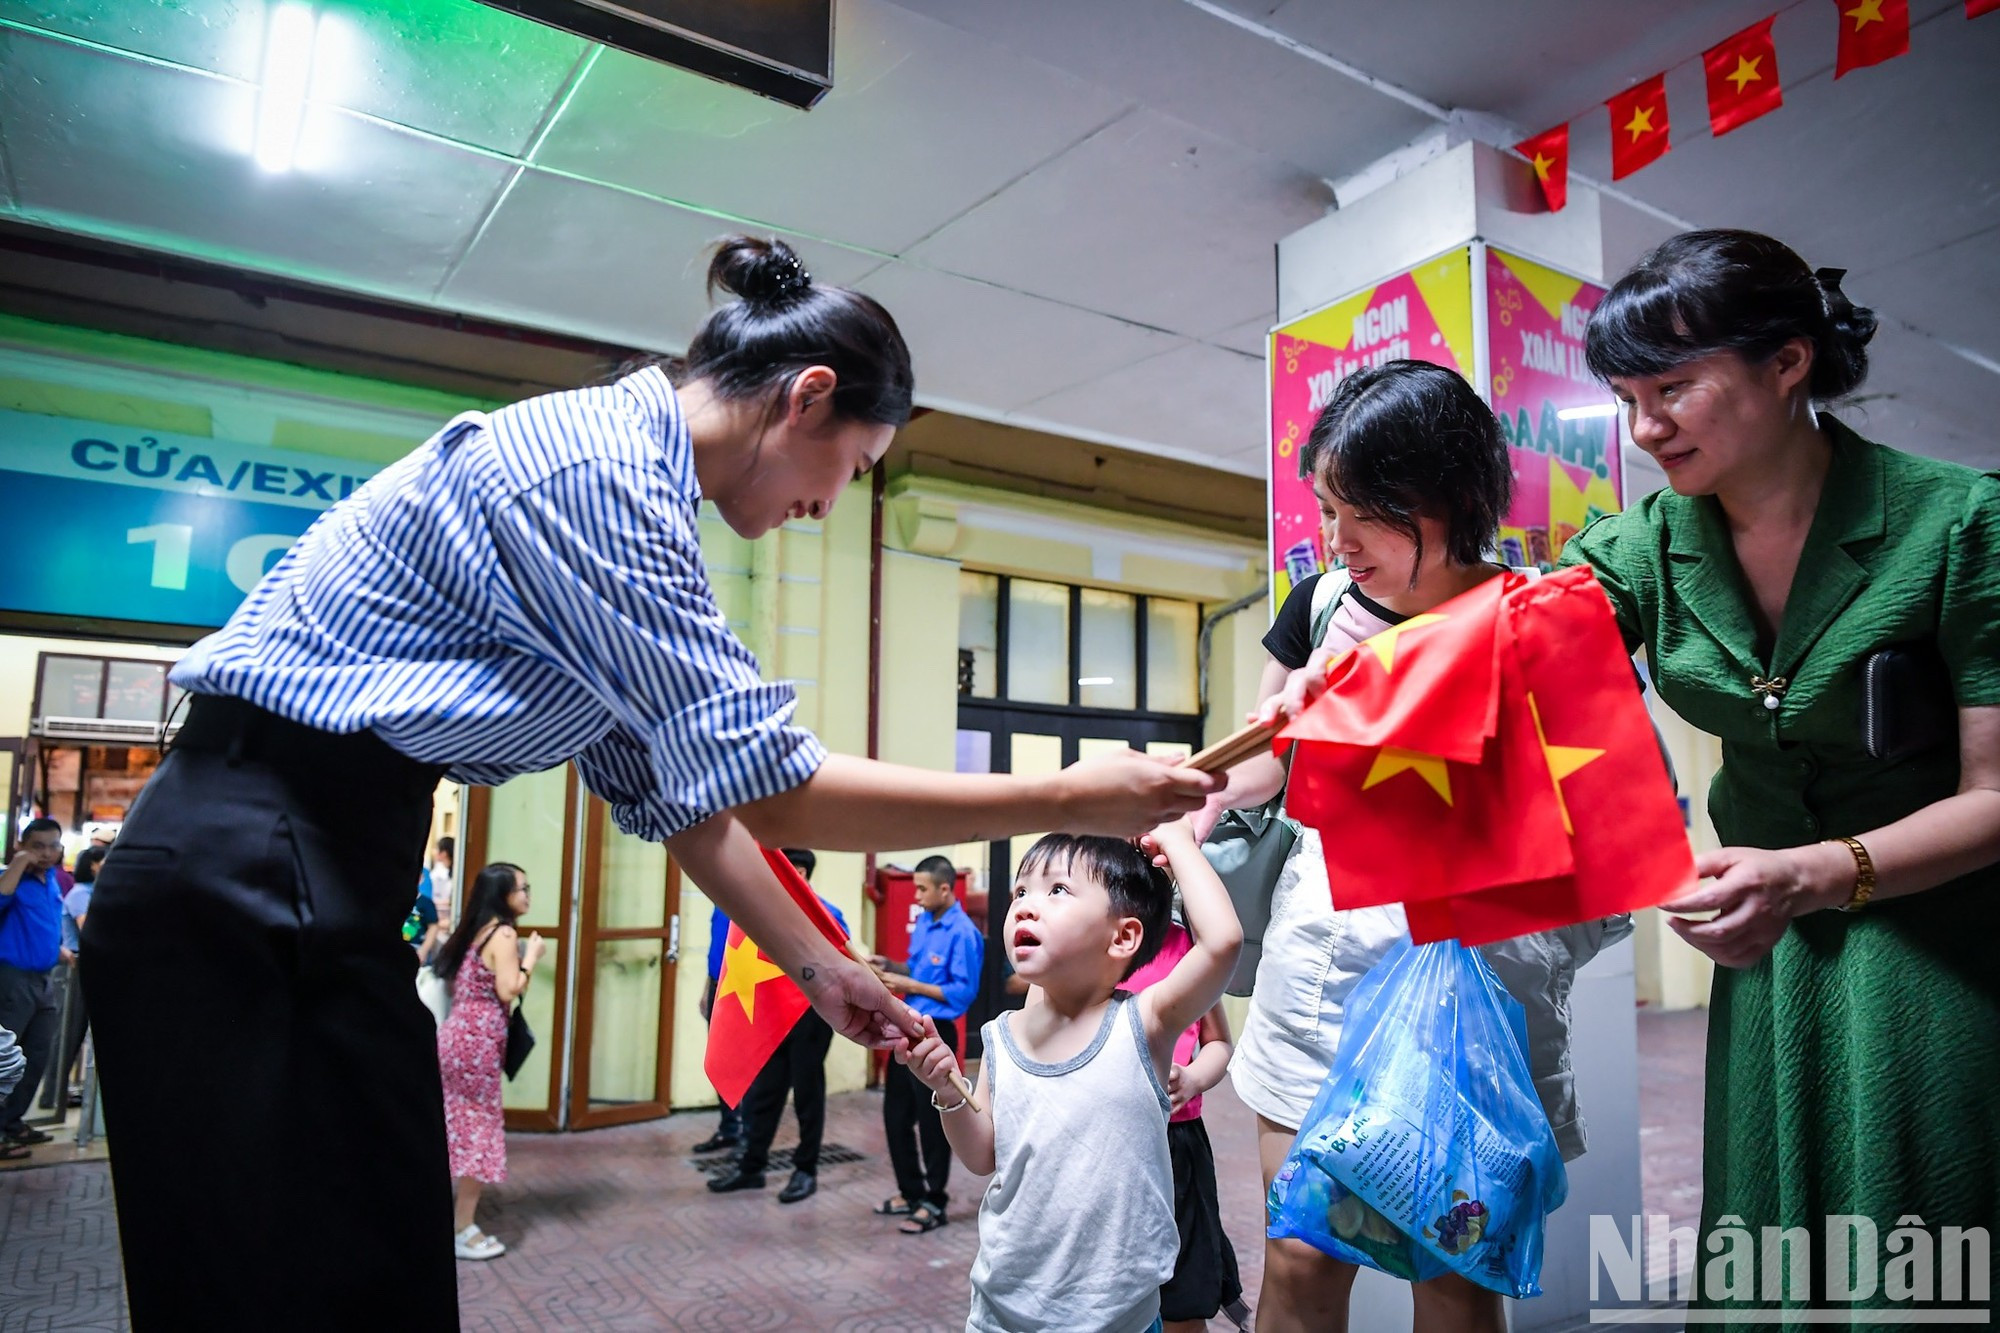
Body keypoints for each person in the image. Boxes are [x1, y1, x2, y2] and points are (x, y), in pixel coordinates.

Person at [83, 234, 1217, 1328]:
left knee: (374, 1267)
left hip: (316, 861)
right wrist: (1067, 794)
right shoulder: (599, 476)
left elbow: (687, 804)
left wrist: (822, 965)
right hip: (243, 861)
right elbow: (772, 788)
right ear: (805, 398)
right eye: (852, 469)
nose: (829, 503)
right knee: (255, 1282)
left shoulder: (632, 494)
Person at [1553, 230, 2000, 1318]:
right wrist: (1336, 675)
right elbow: (1505, 657)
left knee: (1920, 1237)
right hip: (1766, 948)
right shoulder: (1640, 546)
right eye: (1624, 396)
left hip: (1932, 934)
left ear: (1785, 361)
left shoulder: (1957, 521)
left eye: (1671, 387)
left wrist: (1811, 872)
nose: (1642, 427)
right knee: (1765, 1230)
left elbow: (1994, 799)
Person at [1217, 361, 1630, 1333]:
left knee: (1450, 1278)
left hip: (1476, 1001)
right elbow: (1261, 768)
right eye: (1325, 508)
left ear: (1447, 500)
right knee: (1297, 1252)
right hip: (1318, 979)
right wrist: (1190, 794)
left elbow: (1606, 858)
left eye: (1362, 511)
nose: (1335, 539)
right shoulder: (1319, 606)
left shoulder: (1549, 625)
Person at [900, 825, 1242, 1332]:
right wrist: (948, 1092)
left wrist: (1179, 845)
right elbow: (981, 1157)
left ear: (1123, 936)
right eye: (1021, 891)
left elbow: (1222, 943)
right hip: (1003, 1309)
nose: (1025, 906)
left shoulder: (1143, 1024)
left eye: (1057, 890)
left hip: (1115, 1315)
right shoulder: (1000, 1036)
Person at [1123, 920, 1248, 1333]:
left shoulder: (1190, 945)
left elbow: (1218, 1042)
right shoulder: (1088, 938)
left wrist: (1193, 1078)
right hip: (1109, 1142)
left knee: (1184, 1297)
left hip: (1178, 1141)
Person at [707, 848, 845, 1203]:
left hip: (810, 1016)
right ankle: (752, 1167)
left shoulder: (827, 914)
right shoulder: (763, 911)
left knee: (807, 1093)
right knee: (764, 1093)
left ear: (797, 871)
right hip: (772, 1015)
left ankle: (805, 1169)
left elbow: (843, 964)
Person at [431, 862, 542, 1261]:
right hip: (478, 1043)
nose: (527, 895)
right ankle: (464, 1228)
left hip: (456, 1036)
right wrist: (533, 958)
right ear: (503, 895)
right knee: (479, 1131)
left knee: (455, 1126)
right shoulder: (505, 934)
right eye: (522, 889)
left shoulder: (475, 929)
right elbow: (508, 988)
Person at [872, 854, 982, 1235]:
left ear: (945, 889)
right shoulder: (925, 922)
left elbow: (962, 993)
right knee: (896, 1115)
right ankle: (910, 1190)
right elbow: (917, 971)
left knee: (932, 1121)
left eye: (922, 889)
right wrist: (887, 964)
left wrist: (909, 986)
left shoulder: (963, 932)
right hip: (907, 1028)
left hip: (937, 1034)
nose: (917, 896)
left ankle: (935, 1201)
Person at [0, 818, 66, 1159]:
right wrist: (18, 863)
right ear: (23, 845)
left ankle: (12, 1124)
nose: (46, 853)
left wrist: (61, 950)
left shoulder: (51, 879)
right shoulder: (14, 878)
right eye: (38, 846)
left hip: (44, 980)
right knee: (5, 1060)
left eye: (52, 845)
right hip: (13, 979)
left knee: (37, 1054)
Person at [694, 897, 749, 1155]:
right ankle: (729, 1128)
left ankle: (749, 1134)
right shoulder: (720, 897)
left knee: (747, 1066)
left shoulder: (749, 896)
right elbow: (715, 949)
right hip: (718, 986)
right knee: (720, 1063)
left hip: (742, 989)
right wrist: (707, 989)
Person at [427, 836, 455, 925]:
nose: (434, 852)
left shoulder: (443, 874)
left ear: (444, 853)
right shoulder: (443, 871)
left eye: (436, 849)